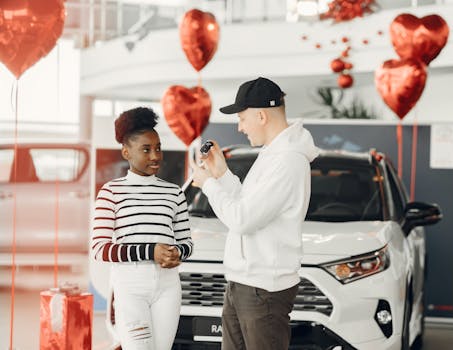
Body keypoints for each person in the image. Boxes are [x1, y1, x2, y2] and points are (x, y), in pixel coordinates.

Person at [190, 77, 319, 350]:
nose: (239, 127)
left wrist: (209, 185)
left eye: (241, 118)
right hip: (244, 283)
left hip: (263, 290)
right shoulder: (273, 154)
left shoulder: (287, 161)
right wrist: (221, 173)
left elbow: (242, 219)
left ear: (261, 116)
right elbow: (247, 204)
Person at [91, 107, 193, 350]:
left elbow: (187, 242)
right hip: (130, 286)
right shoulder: (110, 192)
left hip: (169, 286)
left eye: (158, 148)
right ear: (127, 152)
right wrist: (151, 251)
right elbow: (99, 248)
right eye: (146, 150)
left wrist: (178, 252)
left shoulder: (174, 192)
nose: (155, 156)